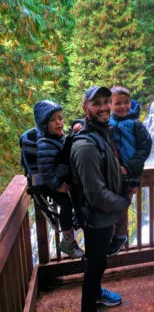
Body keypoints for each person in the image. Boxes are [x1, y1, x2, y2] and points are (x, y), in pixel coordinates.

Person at [70, 85, 131, 312]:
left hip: (103, 215)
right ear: (86, 108)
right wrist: (123, 203)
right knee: (95, 265)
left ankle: (96, 294)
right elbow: (96, 194)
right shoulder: (86, 146)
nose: (104, 108)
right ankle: (89, 305)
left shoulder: (101, 132)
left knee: (98, 261)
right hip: (97, 216)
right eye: (97, 104)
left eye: (107, 102)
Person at [73, 85, 152, 257]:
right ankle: (111, 236)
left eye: (126, 103)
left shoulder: (136, 125)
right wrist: (79, 123)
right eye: (117, 103)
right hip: (113, 172)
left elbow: (145, 148)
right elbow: (91, 122)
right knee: (112, 204)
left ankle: (121, 236)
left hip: (130, 172)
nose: (123, 106)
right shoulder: (108, 122)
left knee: (122, 206)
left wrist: (129, 168)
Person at [34, 100, 84, 259]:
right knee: (66, 204)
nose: (59, 123)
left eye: (60, 118)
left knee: (75, 201)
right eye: (53, 120)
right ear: (44, 124)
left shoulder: (58, 138)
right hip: (51, 184)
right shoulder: (45, 144)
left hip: (61, 178)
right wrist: (57, 186)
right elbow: (46, 171)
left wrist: (76, 129)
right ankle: (67, 242)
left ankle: (73, 227)